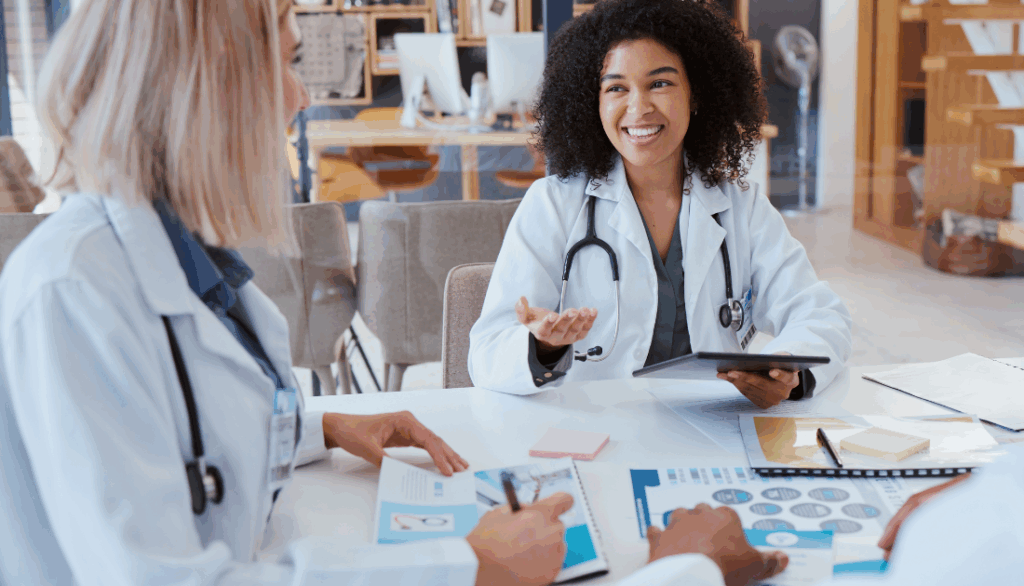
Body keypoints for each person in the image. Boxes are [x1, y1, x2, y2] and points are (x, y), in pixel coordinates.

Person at [0, 1, 790, 584]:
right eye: (286, 61)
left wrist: (322, 424)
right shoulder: (74, 291)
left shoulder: (185, 266)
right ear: (208, 82)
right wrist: (469, 566)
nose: (299, 97)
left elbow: (187, 436)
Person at [468, 0, 852, 407]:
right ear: (591, 103)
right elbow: (488, 350)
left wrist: (787, 369)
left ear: (696, 94)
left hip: (713, 430)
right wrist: (541, 347)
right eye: (616, 87)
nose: (638, 108)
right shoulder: (553, 205)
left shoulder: (741, 207)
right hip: (595, 434)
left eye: (660, 83)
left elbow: (822, 315)